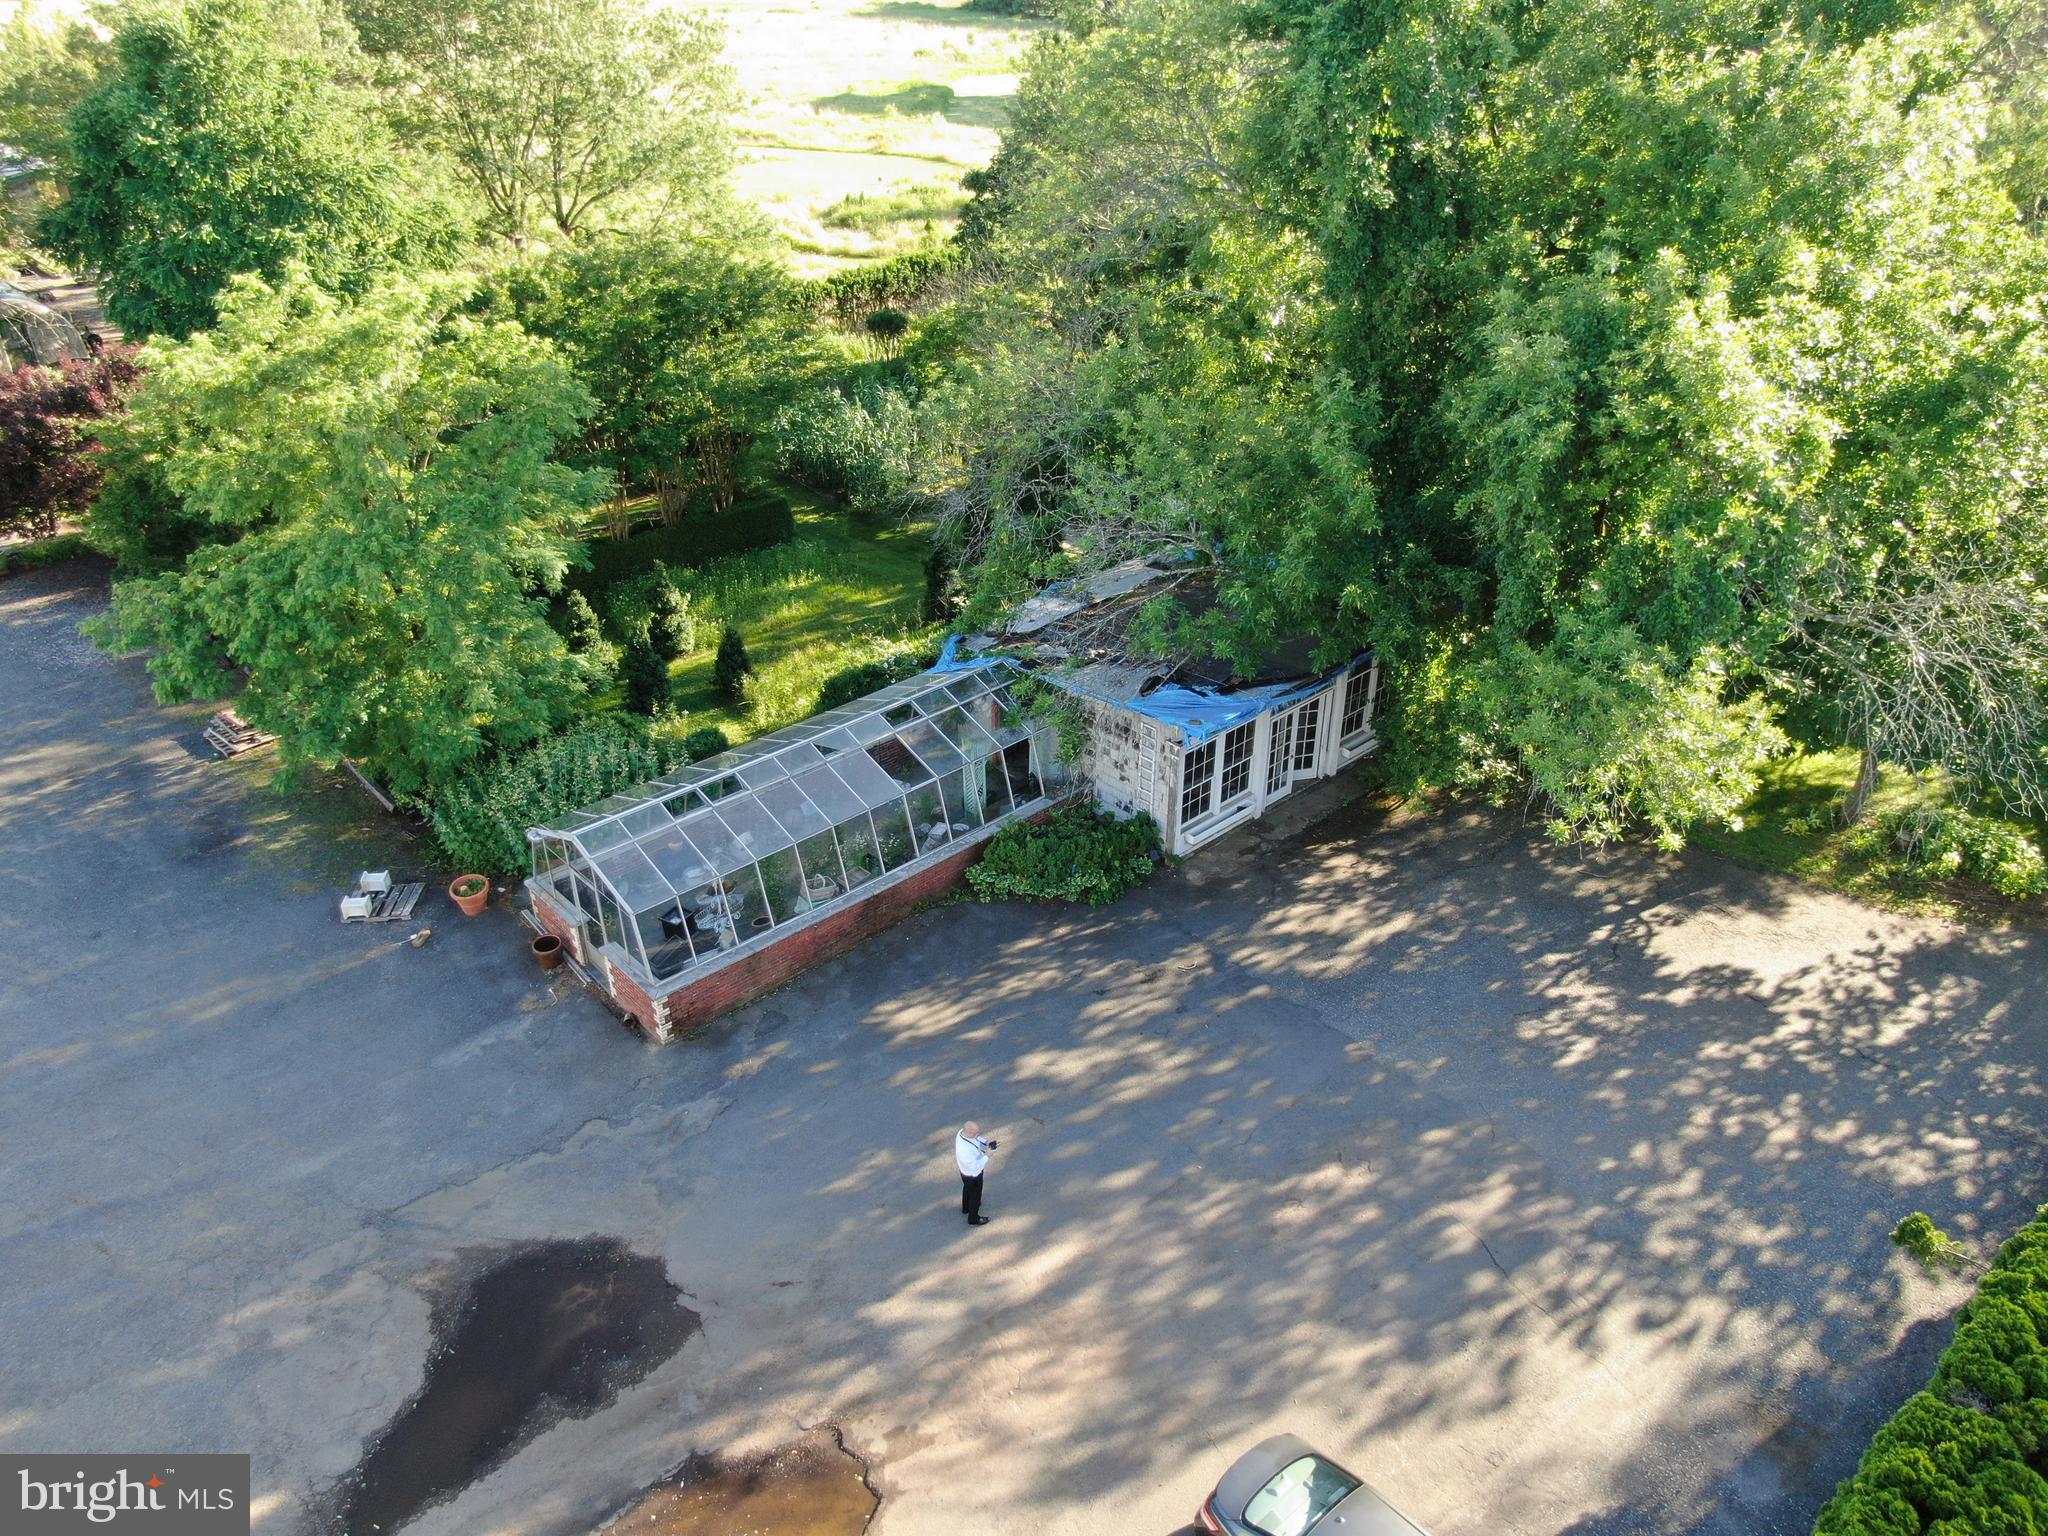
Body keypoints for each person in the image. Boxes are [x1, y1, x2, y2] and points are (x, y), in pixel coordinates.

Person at [955, 1121, 998, 1226]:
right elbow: (975, 1165)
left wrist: (986, 1142)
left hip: (964, 1172)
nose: (978, 1134)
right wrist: (988, 1155)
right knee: (975, 1195)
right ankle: (973, 1218)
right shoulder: (964, 1150)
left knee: (967, 1188)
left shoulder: (962, 1133)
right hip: (973, 1174)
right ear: (970, 1132)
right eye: (976, 1132)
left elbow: (977, 1138)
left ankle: (966, 1208)